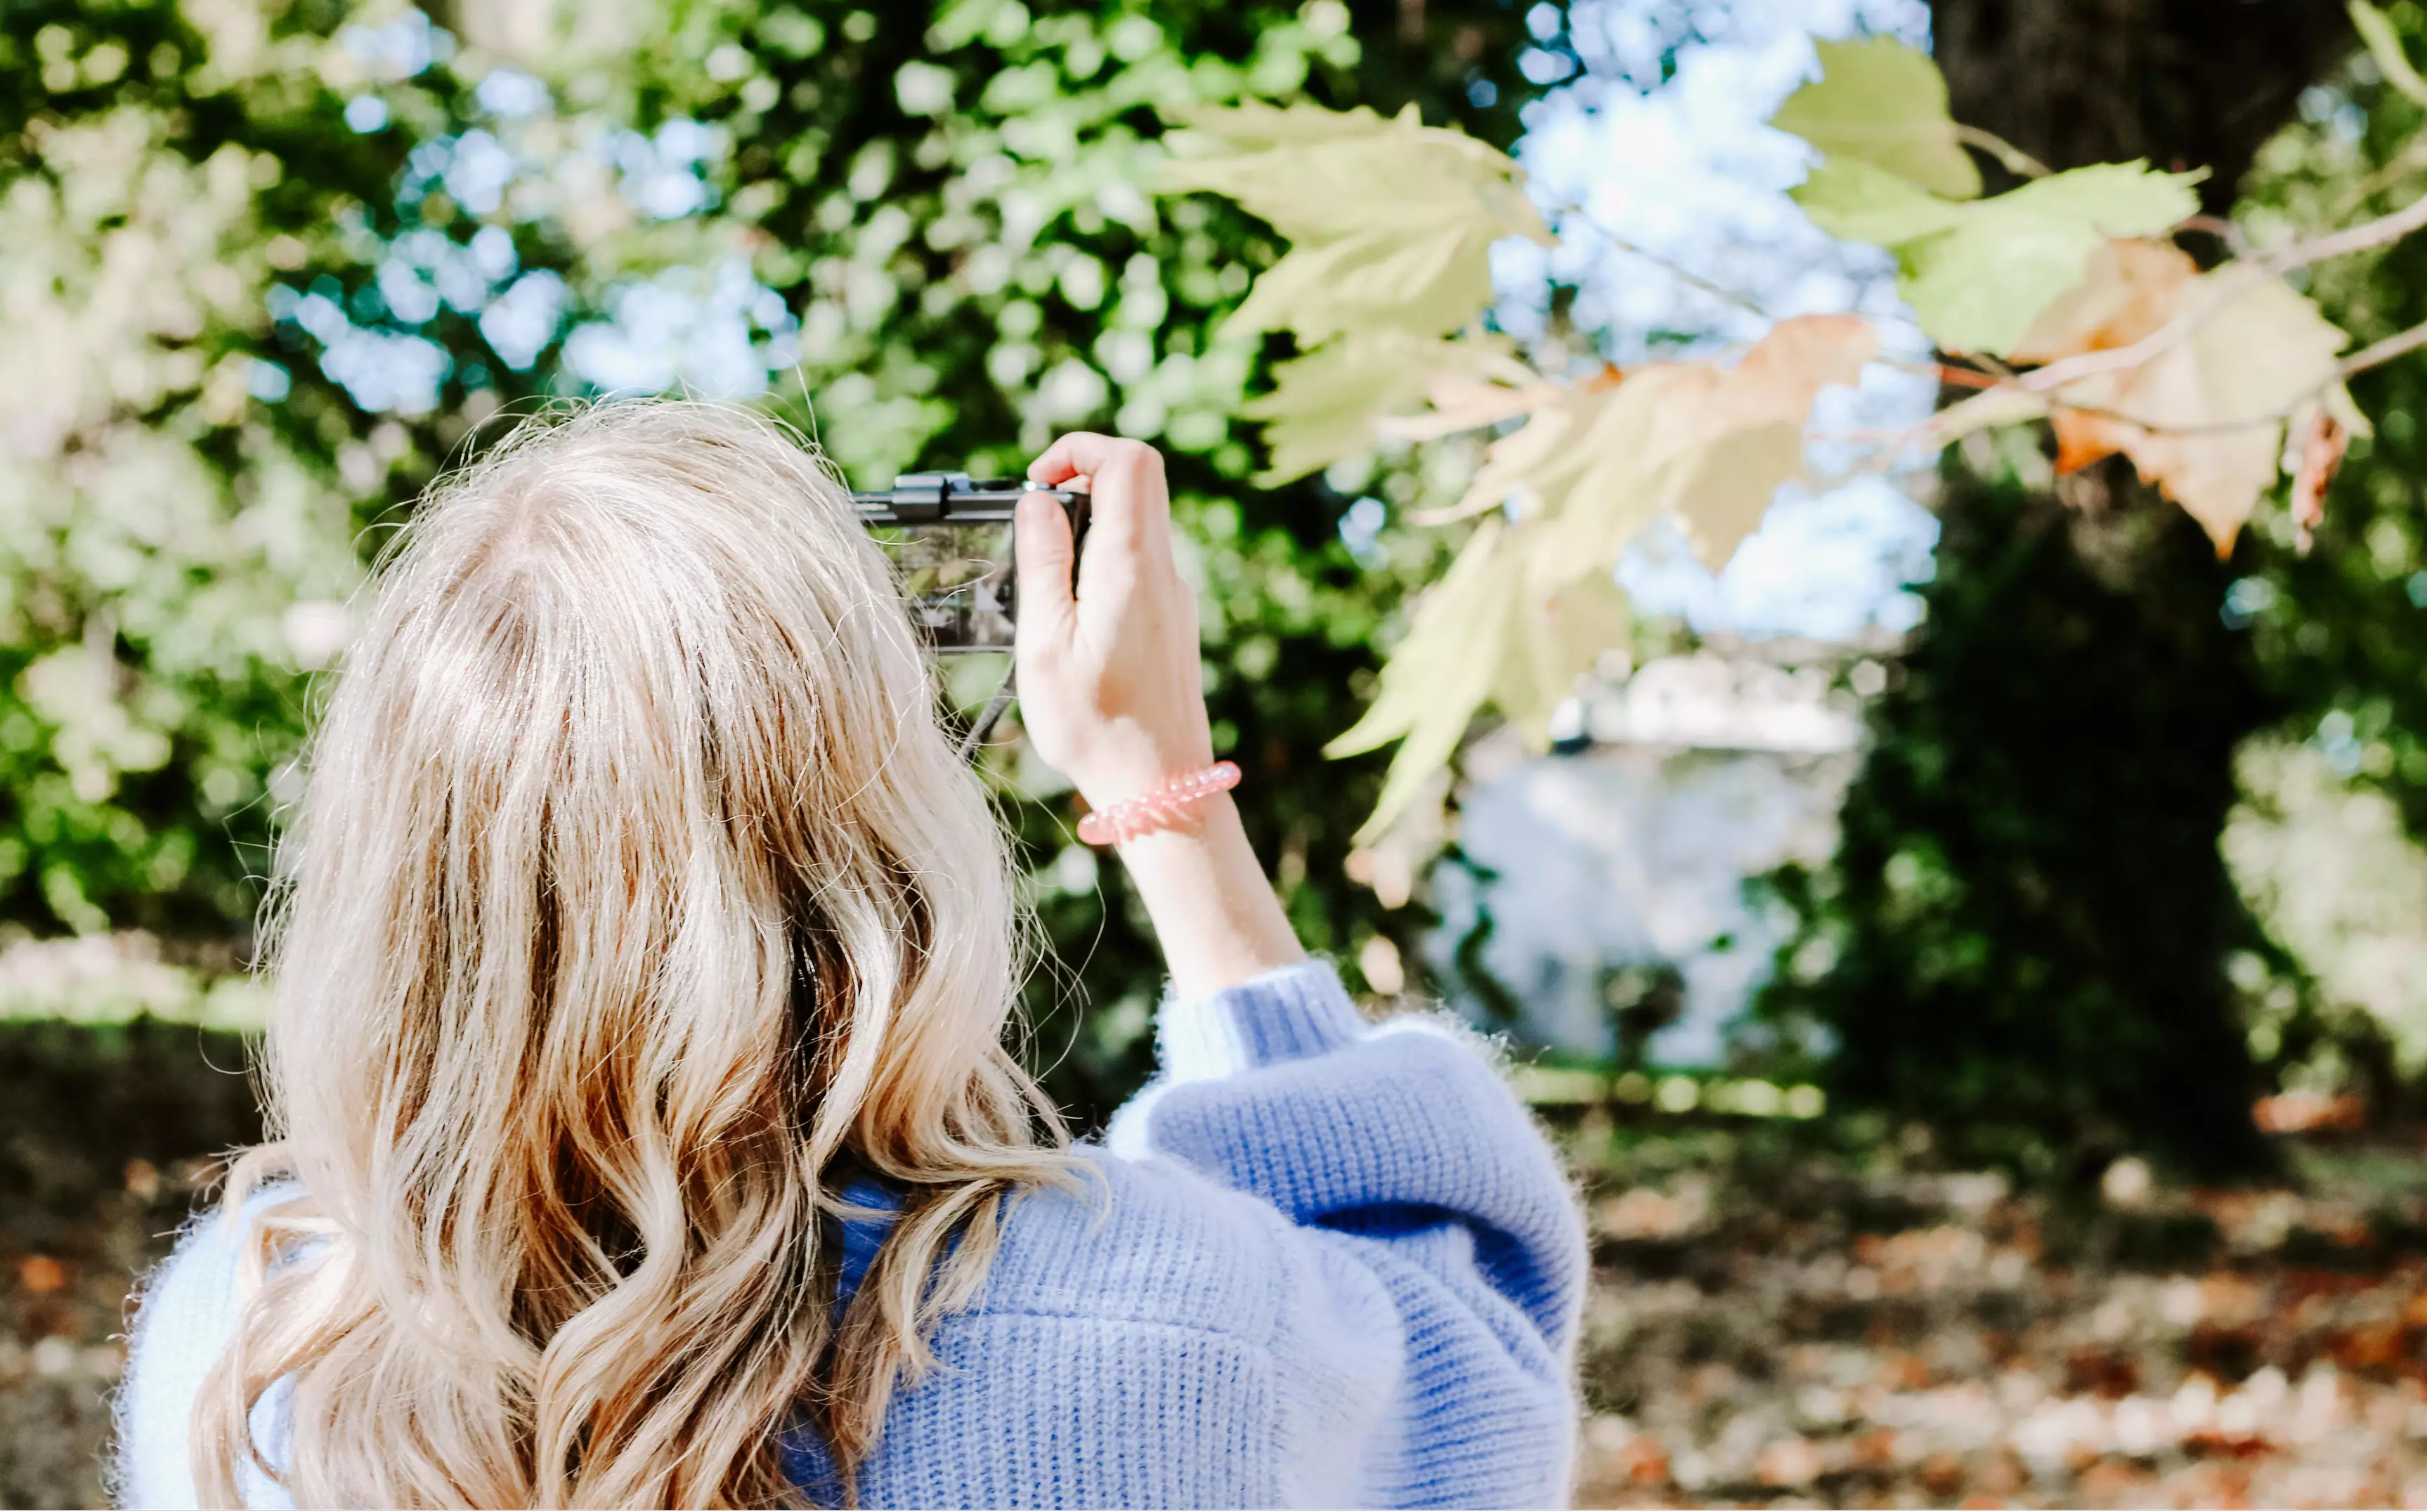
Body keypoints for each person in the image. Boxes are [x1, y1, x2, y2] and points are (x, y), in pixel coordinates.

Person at [111, 403, 1585, 1510]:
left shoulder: (247, 1352)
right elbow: (1472, 1368)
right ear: (883, 839)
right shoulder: (1176, 1334)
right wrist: (1163, 796)